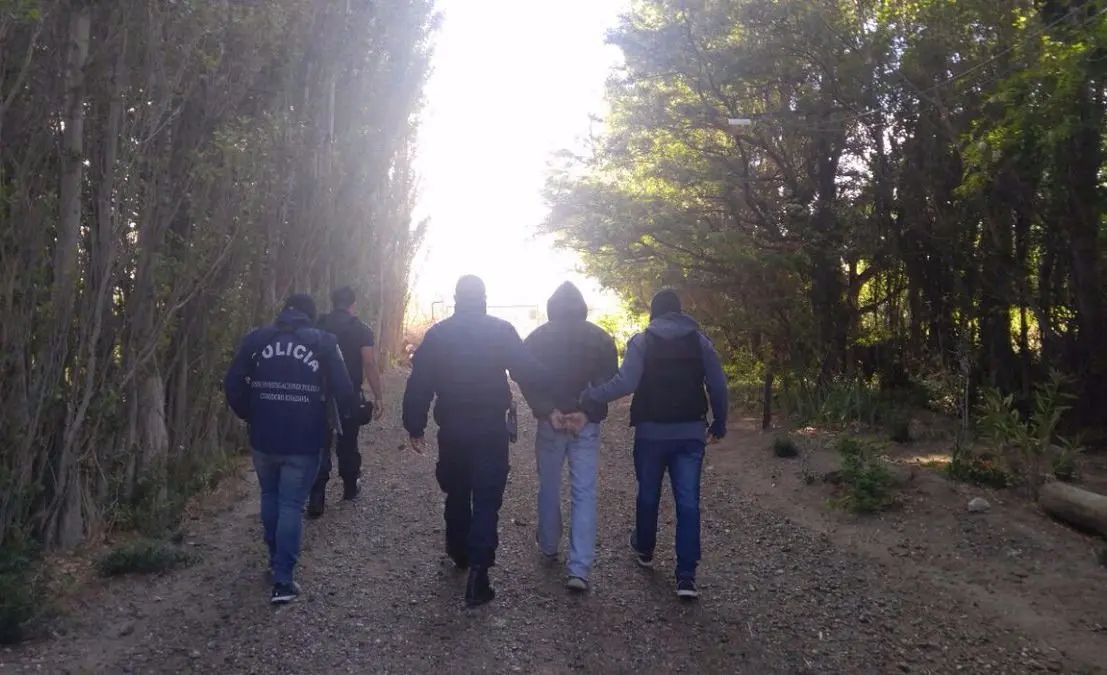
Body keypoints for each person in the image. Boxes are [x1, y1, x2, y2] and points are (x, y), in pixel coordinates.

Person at [402, 275, 575, 608]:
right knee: (486, 498)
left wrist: (415, 425)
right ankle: (479, 576)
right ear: (483, 298)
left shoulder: (438, 335)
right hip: (490, 429)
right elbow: (529, 370)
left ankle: (459, 552)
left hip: (453, 429)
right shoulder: (500, 331)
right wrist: (567, 394)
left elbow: (419, 382)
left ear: (456, 298)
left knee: (456, 490)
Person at [579, 288, 728, 600]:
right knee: (688, 502)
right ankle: (686, 577)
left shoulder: (643, 341)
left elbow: (625, 383)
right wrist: (719, 423)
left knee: (648, 494)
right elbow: (718, 384)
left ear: (654, 312)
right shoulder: (699, 341)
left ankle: (645, 549)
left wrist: (591, 394)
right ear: (679, 311)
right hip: (690, 433)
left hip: (651, 433)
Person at [223, 293, 356, 604]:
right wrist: (341, 416)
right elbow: (344, 390)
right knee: (291, 505)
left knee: (270, 496)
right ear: (311, 316)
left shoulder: (256, 340)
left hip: (264, 437)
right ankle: (283, 581)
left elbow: (232, 383)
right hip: (304, 439)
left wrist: (251, 413)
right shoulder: (324, 342)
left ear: (284, 312)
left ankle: (274, 562)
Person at [519, 281, 618, 593]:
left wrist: (548, 410)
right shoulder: (601, 339)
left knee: (549, 486)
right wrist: (586, 412)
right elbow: (608, 382)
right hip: (584, 425)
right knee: (584, 492)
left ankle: (549, 545)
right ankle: (579, 568)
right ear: (582, 308)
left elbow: (524, 377)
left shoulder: (536, 338)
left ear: (552, 307)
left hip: (551, 423)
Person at [308, 285, 383, 518]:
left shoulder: (318, 325)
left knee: (319, 444)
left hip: (317, 393)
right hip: (349, 394)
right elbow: (369, 362)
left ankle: (316, 497)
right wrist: (378, 395)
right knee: (348, 442)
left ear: (332, 302)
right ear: (353, 304)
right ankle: (350, 487)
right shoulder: (362, 329)